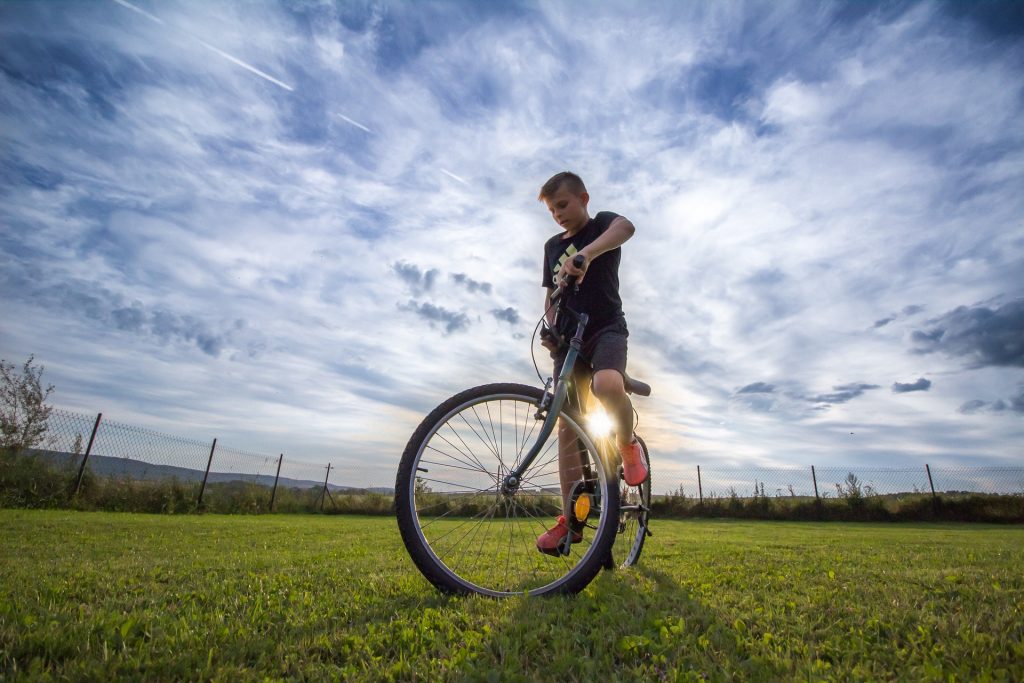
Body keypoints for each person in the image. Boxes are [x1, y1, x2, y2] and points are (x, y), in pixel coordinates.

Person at [534, 171, 648, 555]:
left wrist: (587, 254)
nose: (558, 215)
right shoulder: (551, 246)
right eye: (552, 210)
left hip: (604, 328)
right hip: (569, 342)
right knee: (566, 427)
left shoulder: (601, 225)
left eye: (563, 205)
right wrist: (551, 327)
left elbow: (626, 227)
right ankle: (570, 522)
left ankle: (627, 442)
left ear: (583, 197)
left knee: (608, 386)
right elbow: (549, 296)